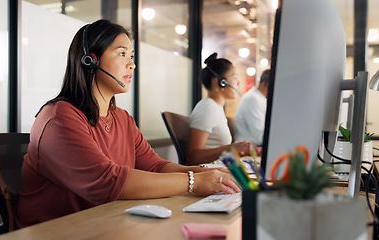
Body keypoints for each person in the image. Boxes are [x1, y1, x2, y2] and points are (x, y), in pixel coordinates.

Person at [15, 20, 240, 228]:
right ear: (90, 59)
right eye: (122, 54)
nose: (131, 64)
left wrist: (205, 174)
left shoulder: (121, 118)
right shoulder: (59, 118)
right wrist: (193, 182)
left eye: (131, 56)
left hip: (102, 223)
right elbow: (108, 182)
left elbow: (154, 166)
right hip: (56, 230)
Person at [187, 53, 254, 166]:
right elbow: (192, 157)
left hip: (220, 169)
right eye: (234, 77)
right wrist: (231, 148)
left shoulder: (216, 108)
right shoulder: (207, 108)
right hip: (211, 175)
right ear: (220, 82)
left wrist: (239, 150)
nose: (238, 83)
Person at [235, 69, 270, 146]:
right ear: (267, 83)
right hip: (247, 150)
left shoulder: (259, 98)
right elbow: (259, 137)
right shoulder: (253, 99)